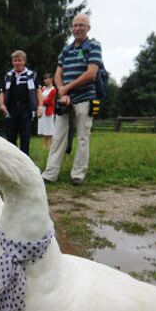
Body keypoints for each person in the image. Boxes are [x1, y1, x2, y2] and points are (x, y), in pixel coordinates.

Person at [42, 13, 102, 186]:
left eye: (81, 25)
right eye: (75, 25)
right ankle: (50, 173)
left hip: (85, 97)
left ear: (88, 28)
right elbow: (57, 74)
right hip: (65, 99)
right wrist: (63, 92)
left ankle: (78, 174)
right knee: (58, 135)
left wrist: (66, 88)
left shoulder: (94, 46)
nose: (77, 28)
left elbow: (91, 73)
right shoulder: (66, 50)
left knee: (83, 137)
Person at [0, 50, 42, 155]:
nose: (17, 63)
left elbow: (38, 90)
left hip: (26, 109)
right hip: (11, 109)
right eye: (15, 60)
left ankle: (25, 160)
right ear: (12, 62)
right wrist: (2, 104)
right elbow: (2, 92)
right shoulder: (8, 75)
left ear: (24, 61)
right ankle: (12, 159)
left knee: (25, 136)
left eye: (19, 60)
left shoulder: (32, 75)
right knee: (10, 136)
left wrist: (40, 106)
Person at [38, 73, 57, 149]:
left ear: (51, 79)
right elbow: (38, 98)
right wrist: (41, 100)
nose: (45, 80)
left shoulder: (53, 89)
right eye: (44, 79)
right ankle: (44, 146)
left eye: (47, 79)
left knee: (49, 129)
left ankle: (51, 146)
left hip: (49, 111)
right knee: (43, 129)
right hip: (42, 111)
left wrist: (41, 100)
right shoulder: (42, 89)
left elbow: (49, 101)